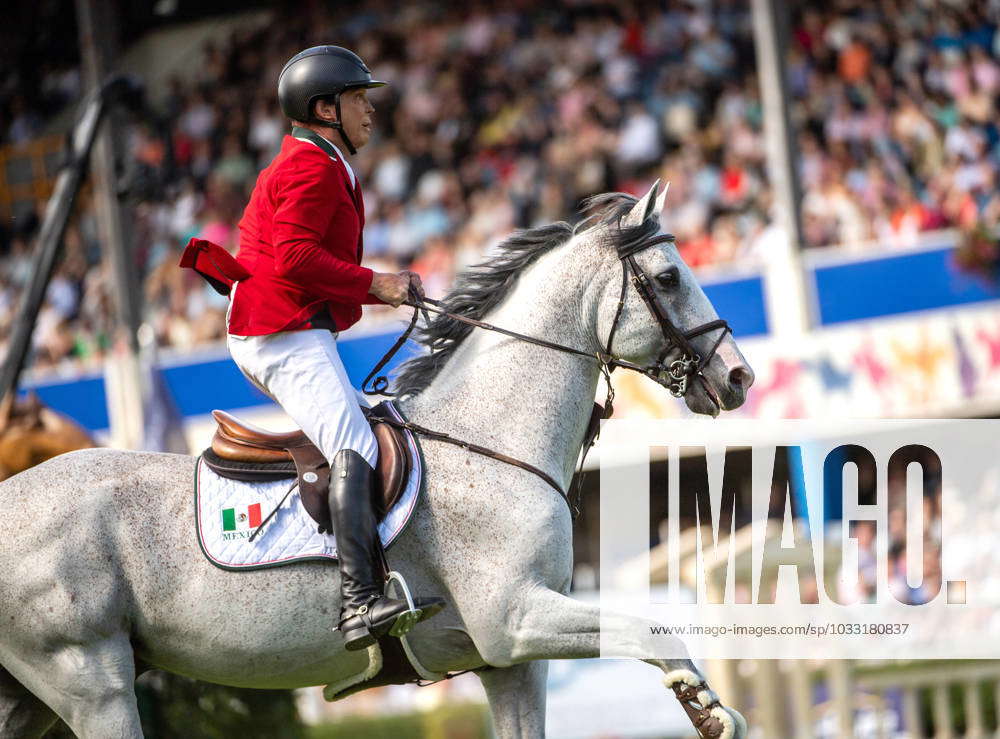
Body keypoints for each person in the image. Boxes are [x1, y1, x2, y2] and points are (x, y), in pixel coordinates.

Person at [223, 46, 445, 650]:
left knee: (368, 431)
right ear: (324, 108)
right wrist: (378, 283)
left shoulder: (321, 160)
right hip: (280, 331)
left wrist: (377, 289)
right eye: (358, 100)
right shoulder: (310, 167)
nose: (370, 111)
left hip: (290, 325)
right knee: (353, 444)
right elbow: (295, 257)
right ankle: (359, 603)